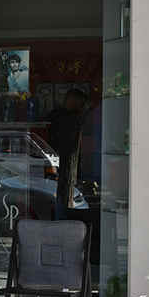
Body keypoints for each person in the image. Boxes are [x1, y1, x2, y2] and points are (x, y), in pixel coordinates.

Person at [48, 89, 86, 220]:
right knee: (65, 194)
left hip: (62, 162)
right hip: (66, 162)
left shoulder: (57, 116)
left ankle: (61, 219)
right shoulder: (70, 119)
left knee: (62, 193)